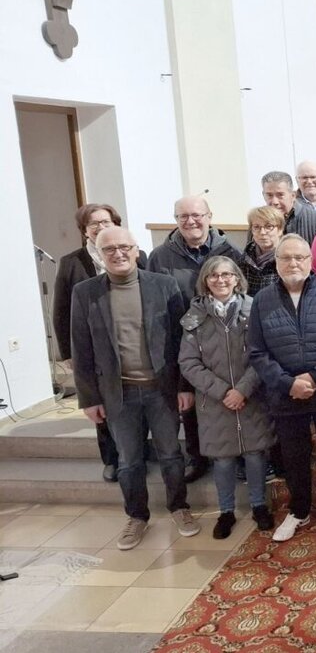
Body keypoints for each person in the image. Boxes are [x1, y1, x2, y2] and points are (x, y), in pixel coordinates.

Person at [70, 226, 199, 550]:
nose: (118, 253)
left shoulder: (164, 285)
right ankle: (137, 517)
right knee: (128, 460)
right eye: (109, 249)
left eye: (124, 246)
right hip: (118, 393)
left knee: (171, 455)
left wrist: (185, 386)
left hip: (162, 389)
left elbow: (181, 341)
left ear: (136, 249)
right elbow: (81, 349)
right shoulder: (86, 293)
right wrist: (89, 398)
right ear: (98, 254)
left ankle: (180, 508)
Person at [249, 234, 316, 545]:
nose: (294, 263)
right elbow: (257, 352)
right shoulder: (262, 300)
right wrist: (288, 383)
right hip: (285, 396)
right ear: (276, 262)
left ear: (310, 262)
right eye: (287, 258)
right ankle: (299, 510)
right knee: (294, 457)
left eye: (300, 257)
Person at [148, 195, 246, 484]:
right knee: (190, 401)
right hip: (183, 340)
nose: (191, 221)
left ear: (209, 216)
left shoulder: (230, 251)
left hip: (227, 337)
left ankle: (238, 454)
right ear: (176, 220)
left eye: (197, 215)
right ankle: (197, 456)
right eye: (183, 216)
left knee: (231, 395)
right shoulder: (160, 257)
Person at [179, 257, 275, 539]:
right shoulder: (194, 316)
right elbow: (188, 362)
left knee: (256, 455)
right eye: (213, 276)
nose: (220, 280)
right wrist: (223, 391)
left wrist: (242, 389)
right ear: (205, 281)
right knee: (222, 460)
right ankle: (226, 511)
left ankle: (259, 506)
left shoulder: (254, 308)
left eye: (226, 275)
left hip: (251, 396)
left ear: (237, 278)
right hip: (215, 401)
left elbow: (264, 353)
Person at [54, 203, 147, 482]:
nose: (100, 227)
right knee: (103, 403)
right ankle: (111, 458)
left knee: (133, 405)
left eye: (105, 221)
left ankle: (138, 451)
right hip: (94, 346)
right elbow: (61, 310)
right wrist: (67, 351)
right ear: (84, 230)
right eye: (92, 224)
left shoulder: (137, 256)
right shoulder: (72, 262)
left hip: (129, 343)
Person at [261, 171, 316, 247]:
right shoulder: (258, 222)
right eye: (269, 195)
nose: (275, 201)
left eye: (280, 195)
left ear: (293, 195)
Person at [240, 206, 285, 295]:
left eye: (269, 226)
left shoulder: (288, 258)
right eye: (256, 227)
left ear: (280, 229)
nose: (262, 232)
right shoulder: (244, 258)